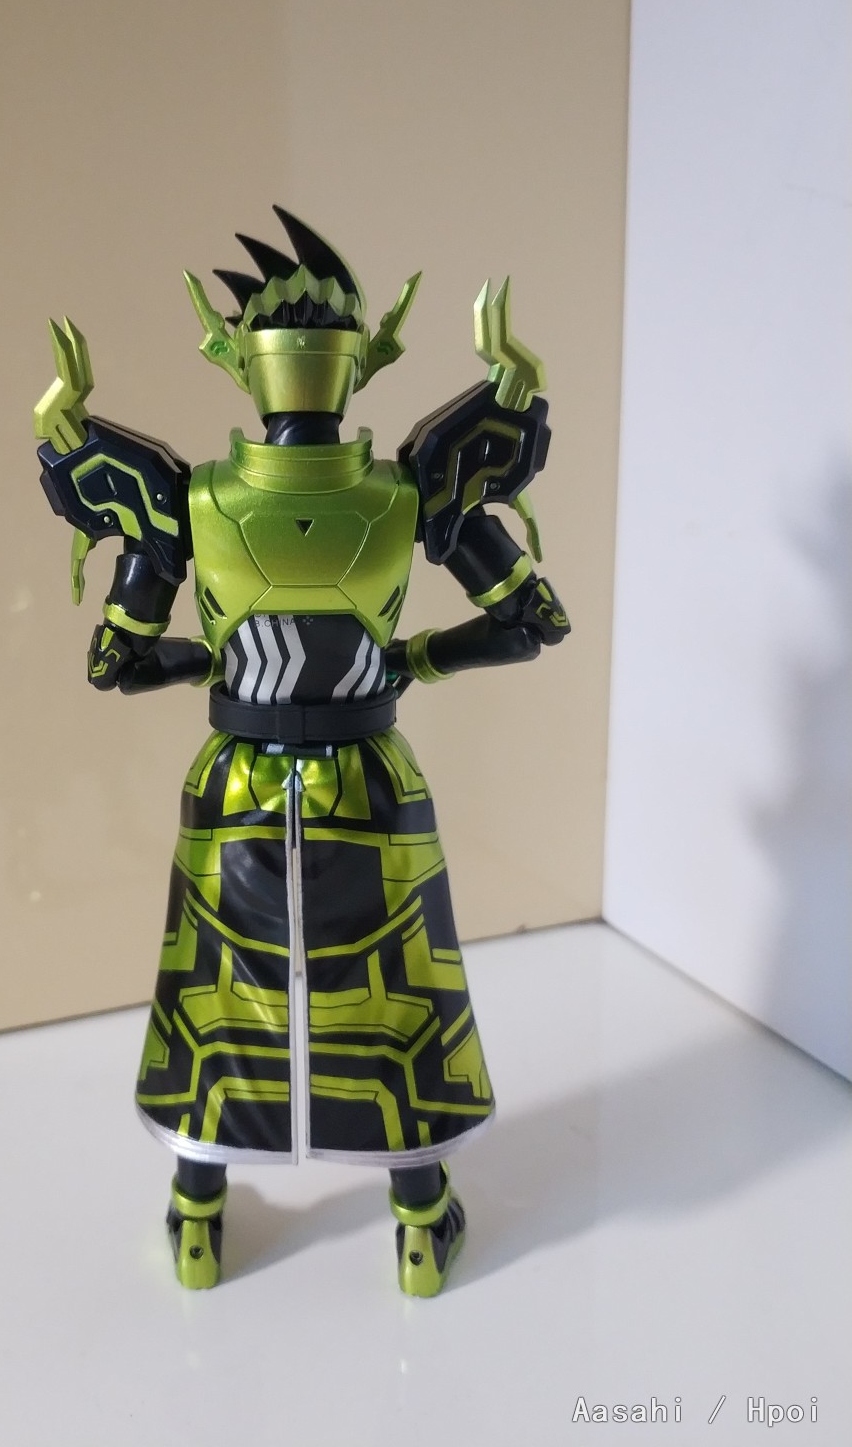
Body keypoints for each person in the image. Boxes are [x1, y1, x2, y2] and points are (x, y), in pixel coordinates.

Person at [34, 207, 569, 1295]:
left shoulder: (186, 499)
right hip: (370, 781)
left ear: (239, 361)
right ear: (362, 361)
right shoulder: (415, 489)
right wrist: (406, 660)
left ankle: (198, 1215)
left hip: (237, 780)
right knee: (394, 997)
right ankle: (419, 1223)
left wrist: (215, 666)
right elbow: (530, 622)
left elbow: (115, 663)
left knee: (224, 997)